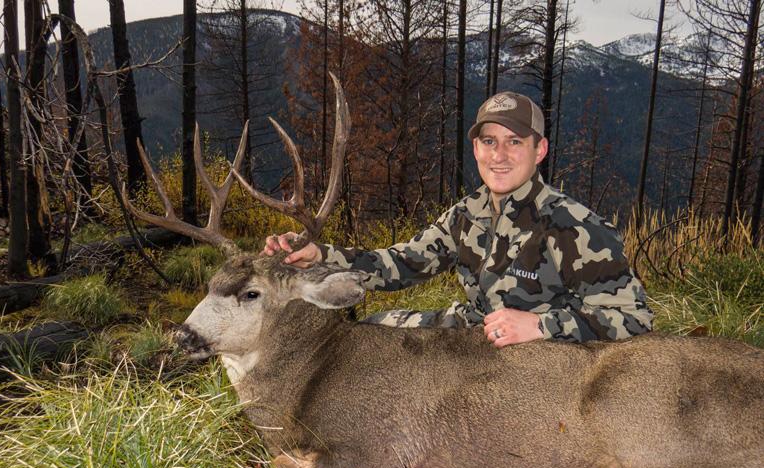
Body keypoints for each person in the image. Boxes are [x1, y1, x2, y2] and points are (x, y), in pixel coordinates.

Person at [263, 91, 653, 347]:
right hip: (472, 334)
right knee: (369, 332)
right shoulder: (468, 215)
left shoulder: (572, 225)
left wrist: (541, 326)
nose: (499, 154)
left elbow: (634, 319)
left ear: (540, 150)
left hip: (541, 362)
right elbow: (398, 265)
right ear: (476, 148)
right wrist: (321, 256)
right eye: (489, 141)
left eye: (515, 142)